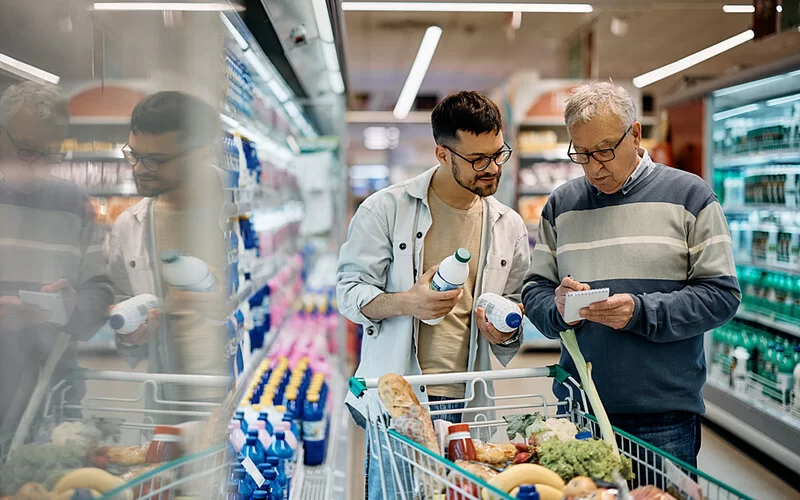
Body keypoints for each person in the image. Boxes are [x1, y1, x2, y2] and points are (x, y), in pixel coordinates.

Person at [522, 82, 740, 467]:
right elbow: (535, 289)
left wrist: (640, 312)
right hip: (578, 410)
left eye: (605, 151)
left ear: (635, 134)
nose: (594, 167)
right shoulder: (561, 205)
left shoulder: (691, 197)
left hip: (663, 417)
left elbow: (722, 295)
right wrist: (558, 309)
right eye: (582, 154)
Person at [338, 90, 530, 417]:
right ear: (442, 154)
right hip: (398, 399)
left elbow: (515, 305)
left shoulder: (508, 225)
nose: (493, 168)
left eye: (499, 154)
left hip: (471, 400)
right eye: (478, 160)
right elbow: (348, 292)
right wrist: (407, 302)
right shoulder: (383, 210)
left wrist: (507, 330)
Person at [0, 82, 113, 433]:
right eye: (28, 151)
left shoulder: (75, 203)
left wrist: (72, 306)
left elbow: (101, 293)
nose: (40, 166)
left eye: (51, 154)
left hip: (51, 400)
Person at [109, 91, 228, 408]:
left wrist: (230, 305)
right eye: (133, 155)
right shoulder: (128, 226)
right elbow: (123, 316)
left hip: (240, 393)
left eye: (156, 160)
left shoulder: (245, 211)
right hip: (166, 398)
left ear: (202, 151)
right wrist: (129, 335)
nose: (139, 169)